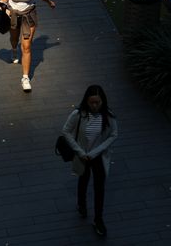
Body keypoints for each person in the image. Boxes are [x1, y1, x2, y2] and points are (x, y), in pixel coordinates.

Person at [61, 85, 119, 237]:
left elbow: (114, 134)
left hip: (98, 156)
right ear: (86, 101)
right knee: (83, 179)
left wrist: (95, 152)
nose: (95, 106)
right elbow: (66, 131)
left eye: (97, 103)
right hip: (83, 156)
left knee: (99, 188)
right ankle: (82, 205)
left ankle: (98, 219)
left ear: (102, 101)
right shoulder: (78, 115)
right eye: (92, 102)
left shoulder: (109, 116)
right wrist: (80, 152)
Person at [0, 0, 55, 91]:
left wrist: (49, 2)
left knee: (27, 46)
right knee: (14, 39)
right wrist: (1, 3)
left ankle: (25, 78)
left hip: (29, 15)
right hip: (13, 14)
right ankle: (14, 50)